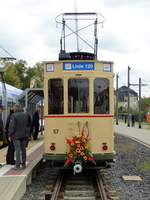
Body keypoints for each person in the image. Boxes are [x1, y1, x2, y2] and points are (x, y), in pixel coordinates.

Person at [8, 104, 29, 169]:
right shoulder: (26, 115)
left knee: (17, 150)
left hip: (16, 136)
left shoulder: (13, 116)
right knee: (23, 150)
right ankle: (23, 164)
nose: (13, 109)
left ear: (16, 109)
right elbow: (28, 125)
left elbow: (12, 127)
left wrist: (9, 135)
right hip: (24, 136)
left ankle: (17, 165)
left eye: (14, 108)